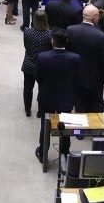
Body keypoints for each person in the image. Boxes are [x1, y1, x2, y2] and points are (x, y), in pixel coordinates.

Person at [34, 27, 80, 163]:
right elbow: (77, 78)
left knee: (45, 126)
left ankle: (43, 153)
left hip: (47, 96)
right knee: (64, 126)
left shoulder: (43, 57)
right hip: (66, 97)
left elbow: (38, 77)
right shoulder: (75, 58)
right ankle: (64, 154)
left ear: (52, 40)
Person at [68, 5, 104, 112]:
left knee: (79, 106)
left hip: (76, 76)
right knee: (96, 107)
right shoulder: (101, 36)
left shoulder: (70, 30)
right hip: (95, 79)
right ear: (94, 17)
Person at [22, 10, 51, 118]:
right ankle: (40, 110)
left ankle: (27, 109)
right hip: (43, 65)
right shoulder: (49, 34)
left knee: (28, 88)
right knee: (42, 89)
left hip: (29, 63)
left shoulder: (27, 32)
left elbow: (26, 46)